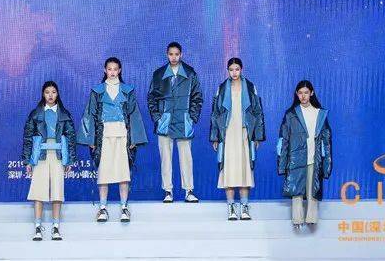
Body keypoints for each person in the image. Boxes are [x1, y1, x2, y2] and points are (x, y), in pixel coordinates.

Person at [78, 57, 148, 222]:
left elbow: (134, 114)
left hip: (122, 135)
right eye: (109, 69)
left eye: (115, 69)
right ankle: (102, 208)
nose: (112, 72)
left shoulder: (127, 90)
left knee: (124, 173)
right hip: (104, 137)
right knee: (103, 173)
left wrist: (134, 138)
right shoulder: (97, 91)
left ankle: (124, 207)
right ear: (105, 70)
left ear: (120, 70)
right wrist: (91, 139)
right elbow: (90, 114)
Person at [210, 58, 266, 220]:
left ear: (241, 69)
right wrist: (215, 137)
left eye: (237, 69)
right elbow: (215, 114)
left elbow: (258, 112)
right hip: (227, 134)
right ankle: (231, 207)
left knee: (244, 170)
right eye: (231, 69)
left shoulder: (250, 87)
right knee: (228, 170)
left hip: (244, 133)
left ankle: (244, 207)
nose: (234, 72)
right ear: (227, 70)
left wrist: (257, 136)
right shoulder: (222, 88)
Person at [147, 42, 203, 203]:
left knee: (186, 158)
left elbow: (197, 97)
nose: (174, 57)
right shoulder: (158, 74)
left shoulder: (190, 73)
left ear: (181, 55)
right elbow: (151, 98)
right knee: (165, 158)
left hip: (183, 121)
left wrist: (191, 117)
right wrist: (158, 118)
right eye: (171, 54)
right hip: (165, 121)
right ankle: (168, 191)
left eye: (176, 54)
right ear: (167, 54)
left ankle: (189, 191)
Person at [22, 81, 76, 241]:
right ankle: (38, 227)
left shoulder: (64, 114)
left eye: (53, 92)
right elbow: (28, 138)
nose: (50, 95)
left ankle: (56, 227)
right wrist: (28, 161)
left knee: (57, 191)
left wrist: (69, 160)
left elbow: (71, 138)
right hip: (40, 156)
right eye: (47, 92)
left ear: (57, 94)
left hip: (58, 155)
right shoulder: (35, 114)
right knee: (38, 191)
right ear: (43, 94)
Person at [276, 80, 332, 230]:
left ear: (311, 93)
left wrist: (326, 162)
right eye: (300, 93)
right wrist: (282, 162)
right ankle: (297, 220)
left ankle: (312, 219)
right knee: (296, 190)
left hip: (314, 157)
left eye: (306, 92)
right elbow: (283, 139)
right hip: (296, 157)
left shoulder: (320, 113)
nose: (303, 96)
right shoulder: (291, 114)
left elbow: (326, 140)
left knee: (313, 189)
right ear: (296, 94)